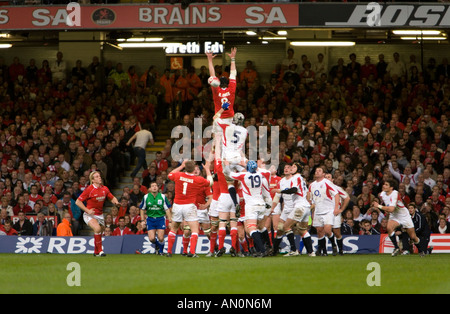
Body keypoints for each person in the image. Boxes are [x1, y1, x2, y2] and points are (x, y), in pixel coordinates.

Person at [166, 160, 213, 257]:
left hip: (177, 205)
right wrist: (207, 170)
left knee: (174, 228)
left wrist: (180, 166)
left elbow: (170, 174)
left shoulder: (178, 175)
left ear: (185, 168)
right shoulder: (197, 180)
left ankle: (169, 252)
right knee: (195, 230)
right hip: (189, 206)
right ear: (194, 168)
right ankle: (192, 252)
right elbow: (210, 182)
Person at [226, 160, 272, 257]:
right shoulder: (261, 174)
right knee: (260, 226)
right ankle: (268, 245)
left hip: (251, 206)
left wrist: (226, 165)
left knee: (251, 229)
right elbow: (267, 172)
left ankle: (262, 250)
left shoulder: (244, 176)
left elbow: (229, 173)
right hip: (261, 204)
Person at [272, 162, 315, 257]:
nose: (291, 168)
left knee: (285, 227)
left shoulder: (296, 177)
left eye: (293, 167)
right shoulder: (300, 179)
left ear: (298, 169)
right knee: (302, 230)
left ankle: (293, 250)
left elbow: (294, 190)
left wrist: (281, 191)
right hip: (305, 207)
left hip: (299, 207)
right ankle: (311, 252)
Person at [75, 171, 120, 257]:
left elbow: (111, 197)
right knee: (97, 228)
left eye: (99, 176)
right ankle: (100, 251)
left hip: (100, 215)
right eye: (97, 177)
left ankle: (96, 252)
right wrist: (87, 210)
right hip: (89, 214)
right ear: (92, 180)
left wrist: (116, 202)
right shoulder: (89, 189)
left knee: (99, 231)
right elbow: (78, 201)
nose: (99, 178)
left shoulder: (104, 188)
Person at [373, 179, 421, 257]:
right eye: (384, 184)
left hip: (403, 215)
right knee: (389, 228)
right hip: (394, 215)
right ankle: (396, 247)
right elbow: (389, 207)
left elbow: (391, 208)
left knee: (413, 237)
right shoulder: (382, 194)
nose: (383, 186)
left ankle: (421, 250)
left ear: (391, 188)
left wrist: (379, 206)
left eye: (386, 185)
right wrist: (386, 209)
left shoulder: (395, 193)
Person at [206, 47, 237, 161]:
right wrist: (232, 59)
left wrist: (210, 60)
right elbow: (233, 73)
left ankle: (213, 161)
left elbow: (212, 74)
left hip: (218, 120)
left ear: (218, 83)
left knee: (216, 142)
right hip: (229, 119)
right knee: (228, 143)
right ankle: (226, 161)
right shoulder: (232, 88)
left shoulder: (216, 90)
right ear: (228, 83)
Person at [308, 166, 340, 256]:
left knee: (327, 230)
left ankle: (334, 244)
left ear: (323, 174)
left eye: (319, 171)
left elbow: (336, 194)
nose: (317, 172)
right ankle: (324, 252)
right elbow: (312, 200)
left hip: (328, 210)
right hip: (318, 210)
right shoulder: (311, 185)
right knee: (319, 231)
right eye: (316, 170)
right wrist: (313, 212)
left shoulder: (327, 183)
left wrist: (336, 208)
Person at [137, 182, 172, 255]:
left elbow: (167, 209)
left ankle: (161, 252)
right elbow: (142, 209)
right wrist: (142, 220)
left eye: (156, 186)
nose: (154, 187)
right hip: (150, 219)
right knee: (152, 238)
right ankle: (158, 245)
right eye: (152, 186)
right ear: (150, 188)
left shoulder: (162, 196)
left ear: (158, 188)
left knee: (161, 238)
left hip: (160, 219)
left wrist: (170, 221)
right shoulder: (146, 197)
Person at [325, 173, 350, 255]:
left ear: (332, 180)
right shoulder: (322, 188)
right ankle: (330, 247)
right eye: (325, 177)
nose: (327, 178)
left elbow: (347, 198)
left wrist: (341, 209)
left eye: (329, 177)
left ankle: (341, 250)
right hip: (325, 212)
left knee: (336, 232)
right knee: (325, 231)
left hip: (335, 213)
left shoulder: (336, 188)